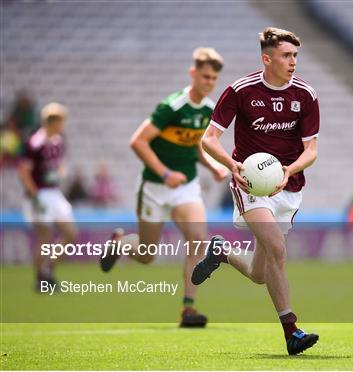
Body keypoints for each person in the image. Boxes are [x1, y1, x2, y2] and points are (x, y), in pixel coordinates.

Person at [191, 27, 320, 355]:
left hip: (288, 188)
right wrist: (232, 166)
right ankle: (292, 331)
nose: (293, 62)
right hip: (249, 185)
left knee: (260, 273)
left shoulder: (306, 95)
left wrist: (290, 169)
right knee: (277, 249)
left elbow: (312, 150)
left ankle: (221, 251)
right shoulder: (240, 91)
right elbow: (208, 139)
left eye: (295, 56)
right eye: (286, 56)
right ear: (267, 58)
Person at [99, 48, 229, 327]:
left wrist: (213, 166)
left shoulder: (209, 109)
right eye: (205, 76)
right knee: (147, 255)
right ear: (193, 73)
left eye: (214, 78)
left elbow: (194, 144)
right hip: (155, 186)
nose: (209, 82)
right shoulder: (172, 106)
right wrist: (166, 173)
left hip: (186, 187)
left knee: (198, 238)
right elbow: (138, 142)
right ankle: (119, 243)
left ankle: (188, 310)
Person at [18, 102, 77, 290]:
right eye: (61, 121)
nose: (63, 125)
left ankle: (48, 269)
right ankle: (40, 279)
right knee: (44, 237)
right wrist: (35, 196)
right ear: (51, 121)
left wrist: (60, 173)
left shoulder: (58, 141)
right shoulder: (35, 142)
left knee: (70, 234)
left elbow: (59, 165)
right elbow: (24, 171)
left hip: (54, 192)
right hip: (40, 193)